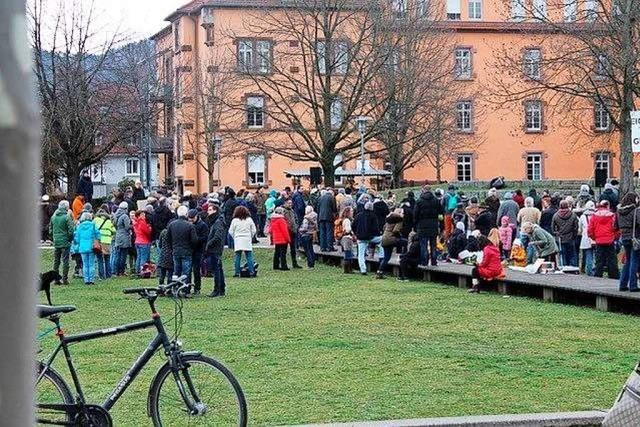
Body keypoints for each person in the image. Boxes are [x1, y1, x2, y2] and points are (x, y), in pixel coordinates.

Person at [588, 200, 620, 279]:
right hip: (610, 240)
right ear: (607, 206)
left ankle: (598, 276)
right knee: (612, 260)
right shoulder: (612, 215)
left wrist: (595, 238)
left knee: (599, 261)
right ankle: (613, 277)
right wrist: (615, 237)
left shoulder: (594, 216)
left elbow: (590, 230)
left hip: (599, 241)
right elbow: (617, 229)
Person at [413, 187, 443, 267]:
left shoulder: (419, 201)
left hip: (422, 226)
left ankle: (424, 262)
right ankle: (434, 261)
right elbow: (441, 213)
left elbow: (415, 214)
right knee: (433, 245)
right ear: (430, 190)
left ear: (423, 191)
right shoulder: (436, 201)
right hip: (434, 225)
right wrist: (441, 225)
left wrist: (415, 225)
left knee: (424, 245)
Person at [616, 193, 640, 291]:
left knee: (628, 261)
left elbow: (616, 225)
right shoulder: (635, 211)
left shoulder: (619, 211)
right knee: (634, 261)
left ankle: (623, 284)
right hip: (635, 238)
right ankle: (633, 285)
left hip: (624, 237)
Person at [166, 206, 198, 279]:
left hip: (176, 250)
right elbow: (194, 240)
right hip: (187, 251)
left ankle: (176, 287)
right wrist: (191, 248)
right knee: (186, 272)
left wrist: (172, 247)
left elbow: (168, 239)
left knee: (176, 271)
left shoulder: (171, 224)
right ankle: (185, 288)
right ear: (186, 214)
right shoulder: (190, 225)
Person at [50, 200, 75, 285]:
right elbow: (71, 231)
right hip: (65, 242)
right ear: (66, 207)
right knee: (65, 261)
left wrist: (54, 238)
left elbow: (50, 230)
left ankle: (56, 280)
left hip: (56, 242)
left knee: (56, 261)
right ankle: (65, 279)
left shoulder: (53, 217)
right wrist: (69, 239)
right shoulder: (67, 217)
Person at [353, 201, 381, 275]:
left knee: (361, 254)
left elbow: (353, 226)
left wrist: (356, 233)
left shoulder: (358, 215)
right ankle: (381, 260)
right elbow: (376, 228)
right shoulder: (373, 216)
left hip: (360, 237)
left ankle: (363, 270)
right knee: (383, 240)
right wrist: (377, 234)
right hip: (371, 237)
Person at [205, 204, 227, 297]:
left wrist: (209, 244)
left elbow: (217, 236)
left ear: (215, 211)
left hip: (215, 249)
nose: (208, 212)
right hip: (215, 248)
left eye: (210, 210)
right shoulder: (216, 221)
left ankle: (217, 289)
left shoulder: (218, 222)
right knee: (218, 269)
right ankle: (221, 289)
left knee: (216, 270)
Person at [229, 206, 257, 277]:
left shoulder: (234, 220)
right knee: (249, 256)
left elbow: (231, 231)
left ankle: (237, 272)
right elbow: (254, 230)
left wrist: (235, 237)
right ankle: (251, 272)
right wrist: (250, 236)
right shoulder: (249, 220)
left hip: (238, 238)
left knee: (238, 256)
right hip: (247, 238)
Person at [73, 212, 100, 285]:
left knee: (85, 264)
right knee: (91, 264)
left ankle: (86, 280)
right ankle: (91, 280)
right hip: (91, 247)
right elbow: (98, 235)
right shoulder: (93, 225)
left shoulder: (80, 227)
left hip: (82, 247)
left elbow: (76, 238)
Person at [377, 210, 404, 279]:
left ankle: (379, 272)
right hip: (391, 239)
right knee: (405, 242)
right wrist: (399, 237)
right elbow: (396, 230)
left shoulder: (388, 220)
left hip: (384, 239)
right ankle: (403, 257)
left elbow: (383, 228)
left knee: (386, 258)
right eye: (402, 213)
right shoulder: (399, 220)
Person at [187, 209, 209, 294]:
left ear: (197, 216)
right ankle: (187, 287)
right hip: (189, 250)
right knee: (188, 270)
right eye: (189, 218)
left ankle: (197, 288)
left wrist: (196, 239)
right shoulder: (188, 224)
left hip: (198, 250)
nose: (191, 220)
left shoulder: (203, 225)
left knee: (196, 270)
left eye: (192, 218)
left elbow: (205, 238)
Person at [552, 200, 579, 267]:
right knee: (572, 254)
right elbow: (576, 227)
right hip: (570, 237)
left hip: (561, 238)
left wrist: (556, 233)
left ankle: (564, 267)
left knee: (562, 254)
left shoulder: (556, 215)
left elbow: (552, 227)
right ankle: (573, 268)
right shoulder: (573, 215)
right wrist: (574, 236)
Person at [93, 208, 115, 280]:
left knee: (99, 259)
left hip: (99, 241)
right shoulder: (109, 221)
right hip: (107, 241)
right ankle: (108, 275)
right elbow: (114, 231)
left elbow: (93, 229)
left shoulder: (95, 220)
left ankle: (101, 276)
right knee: (107, 258)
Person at [113, 202, 132, 276]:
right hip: (124, 236)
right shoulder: (125, 216)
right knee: (123, 255)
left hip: (118, 235)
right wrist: (132, 225)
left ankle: (116, 271)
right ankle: (121, 271)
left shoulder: (116, 215)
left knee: (118, 254)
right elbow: (127, 227)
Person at [579, 201, 596, 276]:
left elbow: (580, 228)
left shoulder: (583, 217)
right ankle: (593, 270)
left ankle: (589, 271)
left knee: (588, 255)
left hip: (586, 238)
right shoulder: (596, 215)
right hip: (595, 237)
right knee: (594, 255)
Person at [283, 199, 302, 269]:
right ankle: (283, 263)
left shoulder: (292, 211)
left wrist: (296, 227)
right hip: (286, 232)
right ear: (285, 203)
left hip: (293, 232)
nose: (290, 204)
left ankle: (294, 263)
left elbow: (296, 219)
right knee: (284, 249)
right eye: (289, 203)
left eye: (291, 203)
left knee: (293, 249)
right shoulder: (283, 211)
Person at [133, 210, 153, 276]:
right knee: (143, 258)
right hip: (144, 241)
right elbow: (146, 231)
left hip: (137, 241)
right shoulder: (142, 221)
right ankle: (143, 271)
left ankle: (137, 270)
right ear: (139, 215)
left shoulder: (135, 222)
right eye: (143, 215)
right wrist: (149, 228)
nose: (144, 216)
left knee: (139, 257)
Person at [340, 207, 356, 273]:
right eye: (351, 211)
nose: (352, 213)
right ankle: (348, 269)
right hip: (347, 238)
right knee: (348, 254)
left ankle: (347, 269)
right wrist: (352, 233)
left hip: (344, 238)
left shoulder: (344, 219)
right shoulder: (347, 220)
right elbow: (348, 230)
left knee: (348, 253)